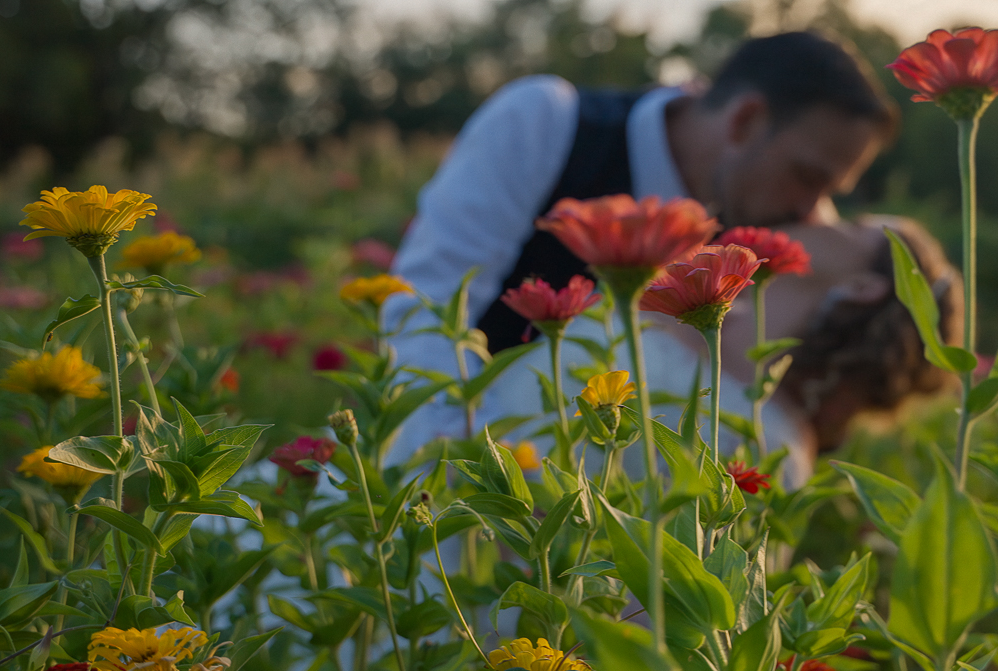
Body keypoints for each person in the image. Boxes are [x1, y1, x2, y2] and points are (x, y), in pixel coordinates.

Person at [383, 32, 897, 465]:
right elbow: (424, 306)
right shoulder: (549, 123)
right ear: (744, 122)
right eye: (807, 177)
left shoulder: (771, 221)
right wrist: (478, 475)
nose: (812, 210)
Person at [475, 215, 963, 486]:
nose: (823, 213)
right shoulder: (662, 302)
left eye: (853, 226)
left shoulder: (768, 445)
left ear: (862, 287)